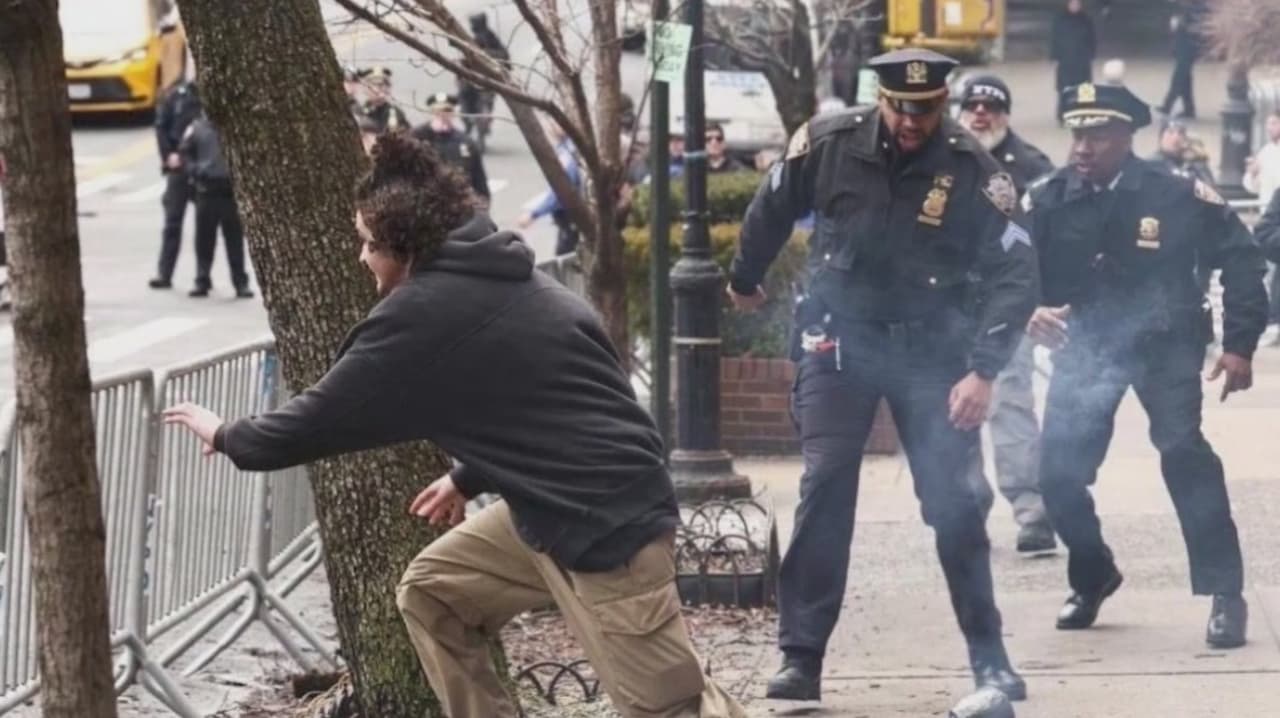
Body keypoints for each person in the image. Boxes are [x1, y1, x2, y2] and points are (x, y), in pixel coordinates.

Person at [162, 132, 745, 718]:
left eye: (367, 244)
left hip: (609, 530)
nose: (361, 257)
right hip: (544, 512)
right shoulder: (501, 274)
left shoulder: (425, 315)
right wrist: (468, 477)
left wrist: (228, 434)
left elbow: (322, 417)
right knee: (433, 593)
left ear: (402, 243)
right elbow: (535, 401)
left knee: (671, 707)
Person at [730, 49, 1037, 704]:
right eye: (901, 108)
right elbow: (773, 204)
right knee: (827, 481)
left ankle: (990, 659)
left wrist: (983, 371)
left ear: (942, 105)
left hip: (933, 353)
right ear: (882, 100)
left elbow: (1017, 271)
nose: (911, 123)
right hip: (839, 340)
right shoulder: (829, 142)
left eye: (925, 111)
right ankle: (801, 656)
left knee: (954, 502)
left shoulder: (972, 168)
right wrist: (743, 278)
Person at [1024, 82, 1267, 649]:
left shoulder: (1175, 191)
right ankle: (1093, 573)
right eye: (1077, 133)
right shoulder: (1048, 197)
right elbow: (1006, 267)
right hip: (1085, 345)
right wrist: (1026, 310)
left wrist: (1239, 345)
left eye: (1098, 134)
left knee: (1183, 452)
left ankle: (1225, 593)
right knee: (1057, 476)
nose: (1083, 146)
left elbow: (1242, 259)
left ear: (1127, 136)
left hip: (1165, 342)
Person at [956, 75, 1057, 553]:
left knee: (1011, 401)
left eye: (991, 107)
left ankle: (1031, 508)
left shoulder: (1033, 166)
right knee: (954, 407)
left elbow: (1046, 244)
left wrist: (1037, 301)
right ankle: (968, 503)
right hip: (949, 305)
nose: (981, 114)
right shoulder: (940, 159)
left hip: (1007, 302)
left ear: (1006, 115)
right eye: (972, 105)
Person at [179, 114, 253, 299]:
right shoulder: (197, 127)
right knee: (204, 239)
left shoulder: (235, 126)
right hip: (206, 190)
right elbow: (185, 153)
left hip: (231, 192)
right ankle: (202, 279)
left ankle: (240, 282)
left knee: (234, 240)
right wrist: (195, 170)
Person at [149, 80, 203, 289]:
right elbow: (161, 126)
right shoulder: (177, 95)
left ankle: (202, 277)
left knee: (206, 227)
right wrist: (168, 155)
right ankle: (165, 273)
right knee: (172, 223)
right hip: (178, 166)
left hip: (204, 166)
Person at [517, 121, 582, 255]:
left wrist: (534, 214)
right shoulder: (566, 148)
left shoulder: (568, 152)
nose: (549, 127)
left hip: (573, 220)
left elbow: (561, 189)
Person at [411, 93, 490, 202]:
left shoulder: (465, 143)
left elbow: (479, 180)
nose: (442, 116)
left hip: (459, 203)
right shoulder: (417, 138)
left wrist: (482, 205)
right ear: (431, 113)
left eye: (446, 112)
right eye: (438, 112)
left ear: (452, 114)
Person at [1050, 0, 1096, 123]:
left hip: (1082, 60)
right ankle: (1064, 115)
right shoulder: (1060, 20)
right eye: (1072, 3)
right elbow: (1055, 39)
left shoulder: (1086, 20)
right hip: (1066, 61)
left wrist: (1091, 55)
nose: (1075, 6)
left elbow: (1092, 39)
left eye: (1077, 3)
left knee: (1085, 88)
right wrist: (1055, 57)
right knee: (1065, 89)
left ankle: (1086, 114)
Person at [1158, 9, 1200, 119]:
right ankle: (1189, 109)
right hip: (1185, 46)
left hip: (1188, 47)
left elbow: (1196, 26)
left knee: (1179, 77)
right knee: (1185, 79)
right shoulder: (1186, 7)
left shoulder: (1195, 8)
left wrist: (1180, 24)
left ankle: (1168, 106)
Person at [1151, 118, 1214, 185]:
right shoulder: (1153, 163)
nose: (1176, 137)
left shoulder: (1193, 163)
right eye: (1170, 132)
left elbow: (1210, 189)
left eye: (1180, 133)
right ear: (1161, 138)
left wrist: (1198, 163)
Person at [361, 66, 409, 133]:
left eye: (384, 85)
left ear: (389, 89)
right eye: (375, 85)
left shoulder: (396, 114)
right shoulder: (358, 112)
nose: (379, 89)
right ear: (365, 89)